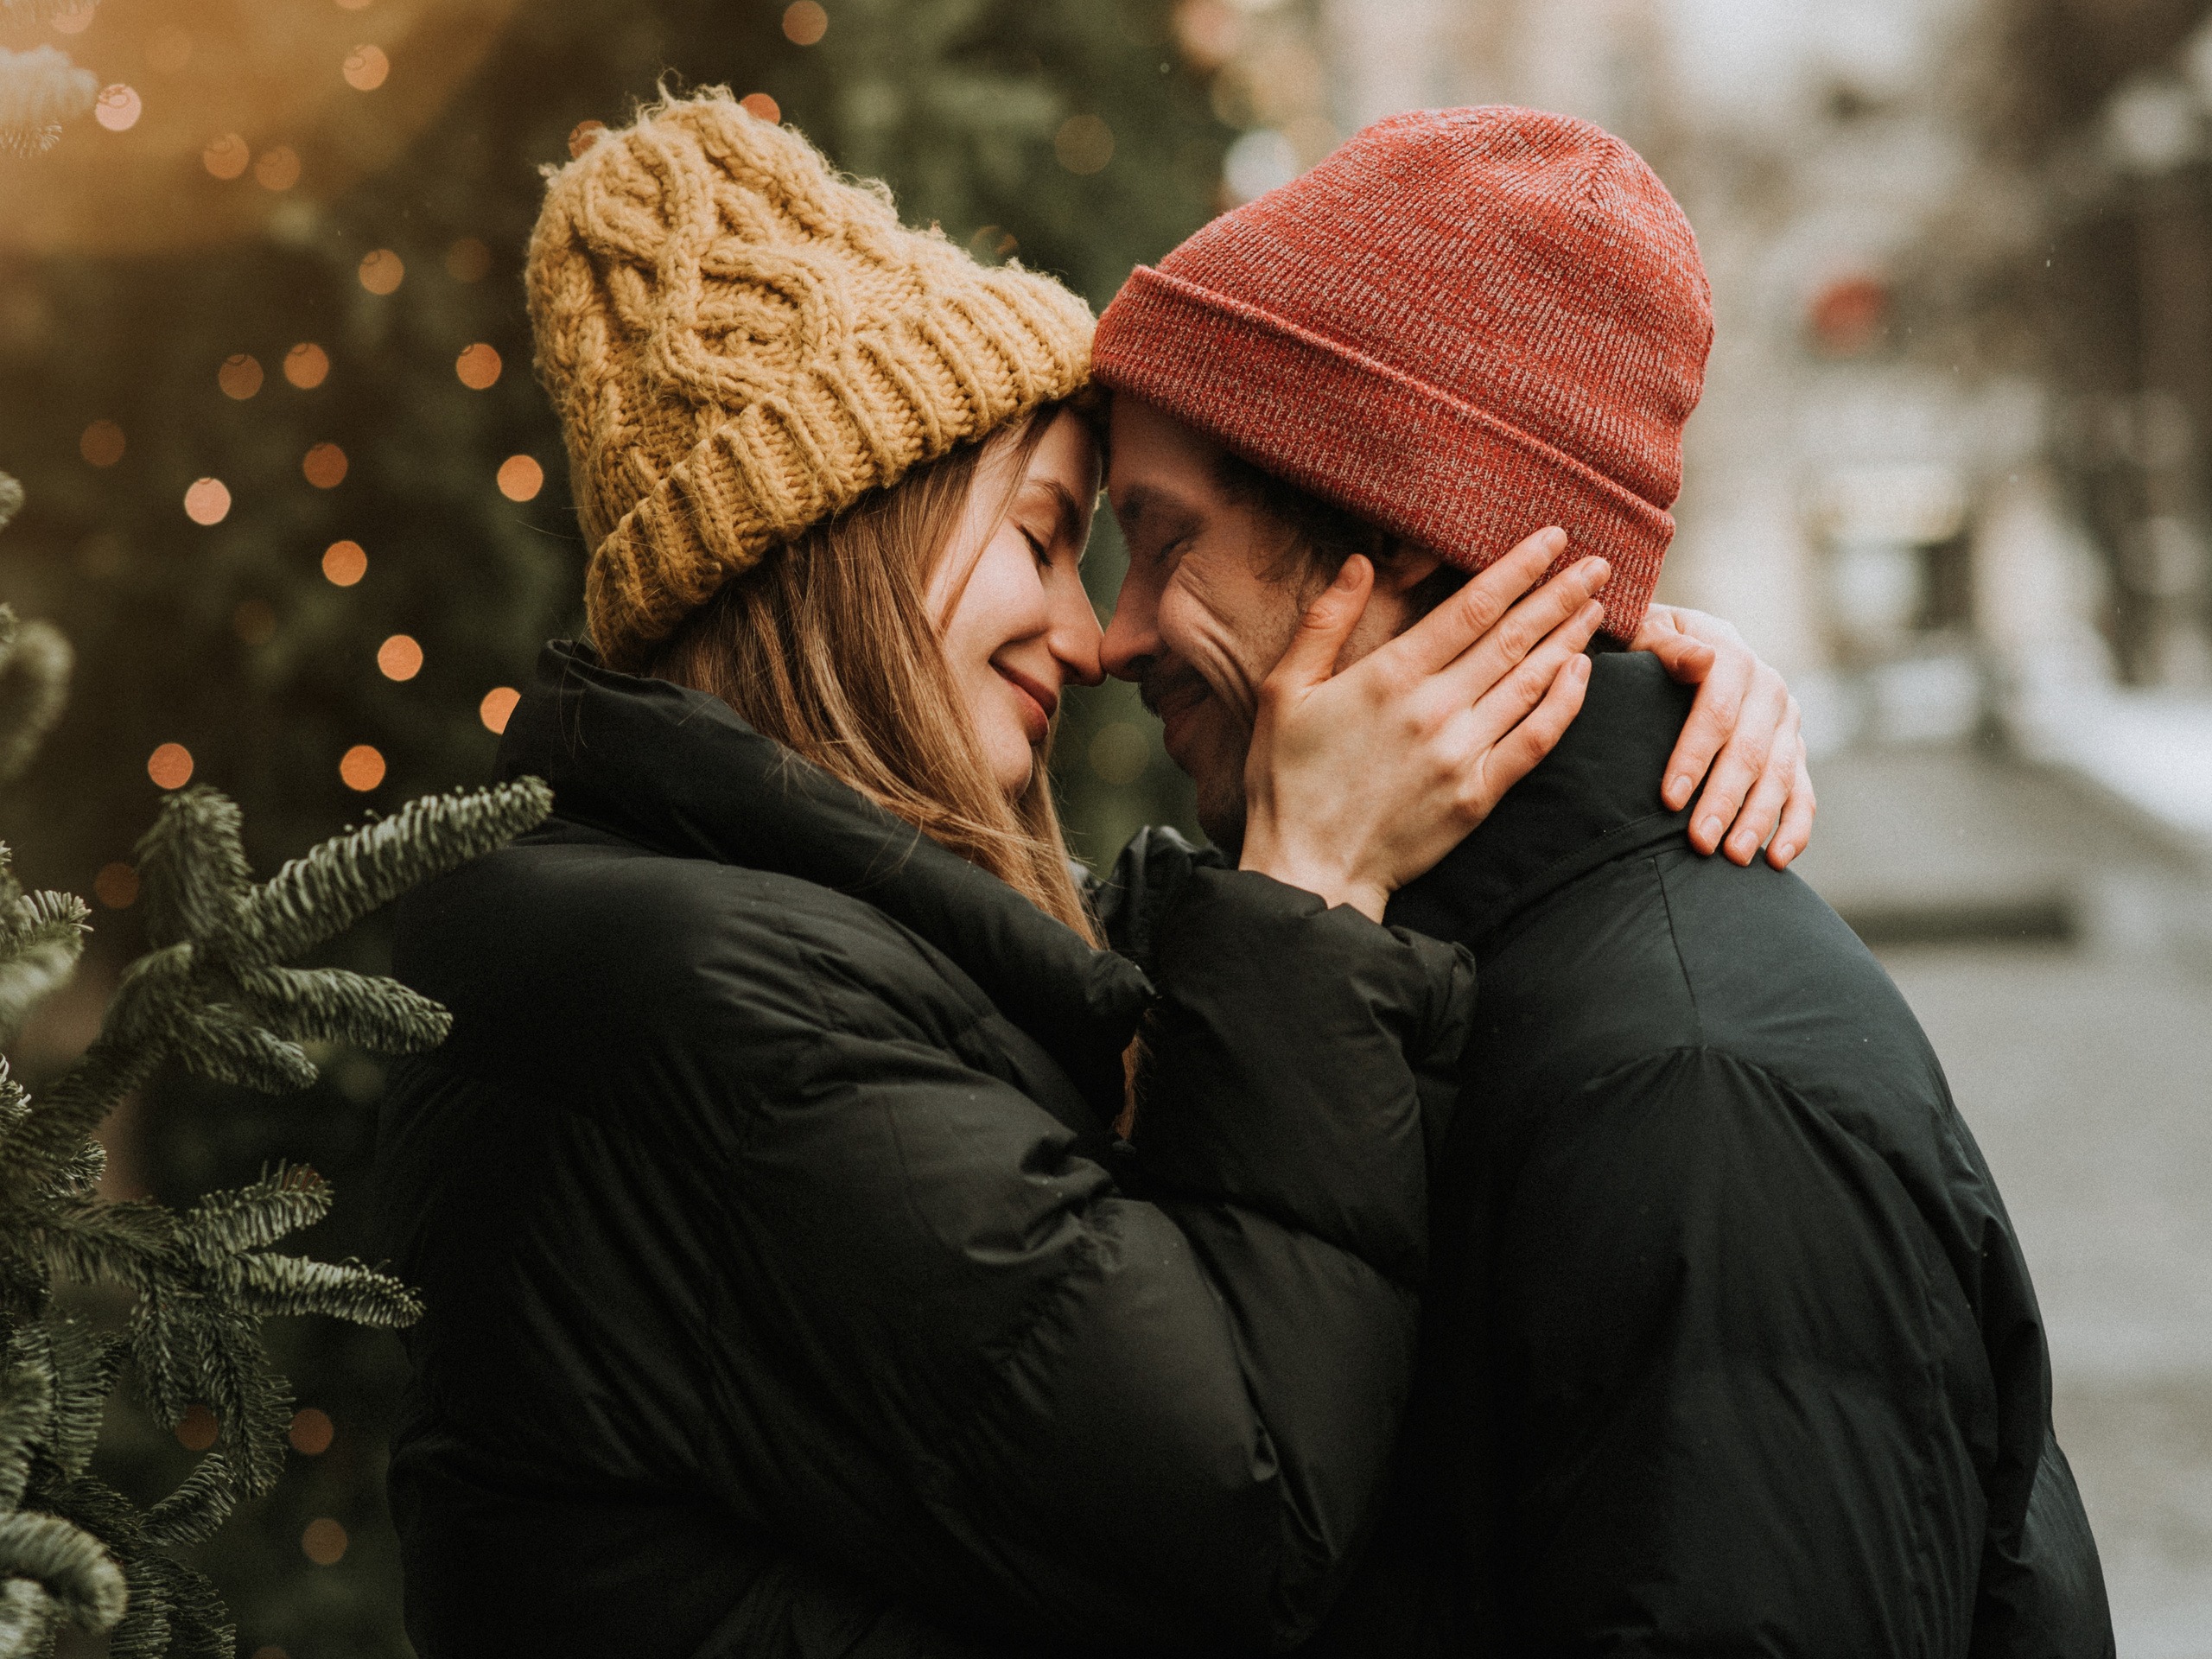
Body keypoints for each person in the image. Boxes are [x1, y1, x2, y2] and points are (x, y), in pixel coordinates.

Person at [372, 93, 1813, 1657]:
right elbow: (1242, 1514)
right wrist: (1315, 883)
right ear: (856, 536)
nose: (1090, 632)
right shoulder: (707, 1011)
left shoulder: (782, 946)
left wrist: (1604, 696)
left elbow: (1107, 997)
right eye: (1051, 533)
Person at [1088, 106, 2114, 1656]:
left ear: (1412, 543)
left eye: (1164, 543)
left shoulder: (1692, 1095)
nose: (1116, 632)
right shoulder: (1413, 968)